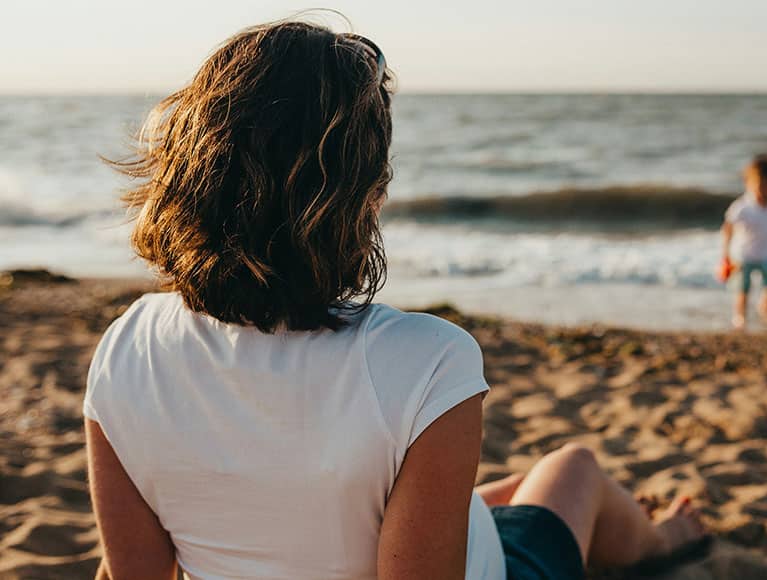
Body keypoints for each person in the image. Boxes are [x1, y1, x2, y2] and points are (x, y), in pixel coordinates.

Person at [84, 18, 709, 580]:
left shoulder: (125, 349)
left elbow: (134, 571)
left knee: (501, 491)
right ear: (362, 196)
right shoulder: (428, 362)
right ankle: (670, 539)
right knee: (574, 469)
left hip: (327, 524)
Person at [720, 155, 767, 330]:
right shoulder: (742, 206)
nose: (764, 190)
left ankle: (765, 306)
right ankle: (740, 316)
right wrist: (725, 255)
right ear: (748, 183)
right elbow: (727, 228)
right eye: (759, 185)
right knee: (743, 289)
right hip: (743, 254)